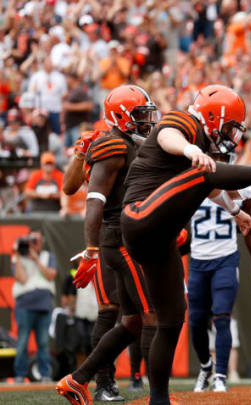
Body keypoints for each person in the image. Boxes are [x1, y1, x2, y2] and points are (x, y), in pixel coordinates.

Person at [117, 84, 251, 405]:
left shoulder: (203, 149)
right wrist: (189, 150)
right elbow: (166, 136)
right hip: (139, 214)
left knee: (172, 318)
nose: (232, 134)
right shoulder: (186, 123)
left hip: (159, 236)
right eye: (230, 126)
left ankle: (158, 399)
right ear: (214, 117)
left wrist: (237, 212)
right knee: (204, 171)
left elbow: (209, 189)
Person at [57, 85, 160, 404]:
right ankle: (104, 383)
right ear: (122, 116)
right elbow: (72, 188)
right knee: (110, 312)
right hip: (109, 239)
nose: (147, 119)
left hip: (119, 236)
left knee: (131, 317)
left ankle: (91, 379)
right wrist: (78, 154)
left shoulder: (127, 143)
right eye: (140, 113)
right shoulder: (109, 144)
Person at [189, 177, 251, 393]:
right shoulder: (194, 180)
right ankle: (206, 367)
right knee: (195, 322)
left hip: (226, 259)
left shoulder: (242, 186)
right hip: (198, 260)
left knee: (222, 317)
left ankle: (220, 375)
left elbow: (249, 227)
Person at [12, 231, 57, 383]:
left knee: (43, 342)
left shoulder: (47, 256)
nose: (34, 243)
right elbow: (21, 279)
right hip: (24, 305)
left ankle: (45, 374)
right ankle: (20, 375)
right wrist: (17, 255)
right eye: (31, 240)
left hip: (44, 305)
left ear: (41, 242)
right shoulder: (19, 257)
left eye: (36, 240)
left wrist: (36, 259)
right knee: (22, 341)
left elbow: (50, 275)